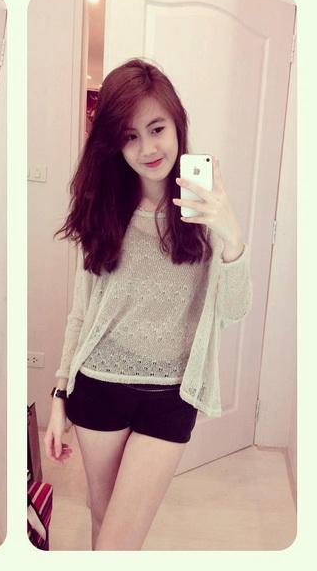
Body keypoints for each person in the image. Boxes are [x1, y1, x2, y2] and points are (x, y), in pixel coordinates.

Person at [43, 58, 252, 550]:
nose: (147, 149)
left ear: (177, 125)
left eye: (156, 129)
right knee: (102, 522)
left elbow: (234, 309)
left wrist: (232, 235)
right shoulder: (104, 210)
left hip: (171, 394)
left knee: (120, 540)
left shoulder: (206, 211)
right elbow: (83, 311)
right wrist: (59, 396)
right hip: (98, 385)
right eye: (130, 136)